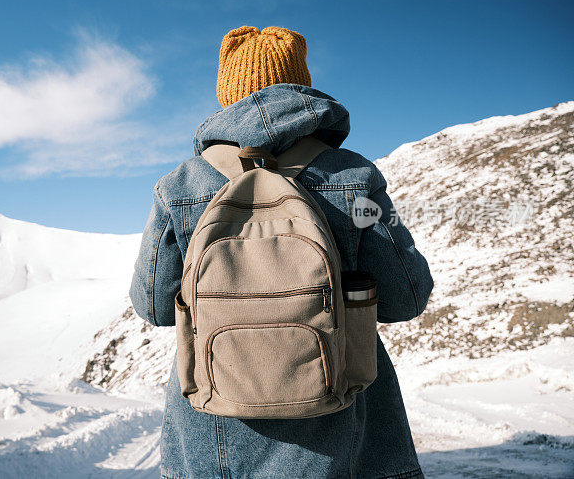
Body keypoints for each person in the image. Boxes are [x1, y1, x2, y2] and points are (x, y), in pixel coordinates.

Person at [129, 25, 433, 479]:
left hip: (213, 420)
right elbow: (405, 298)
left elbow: (153, 306)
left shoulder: (182, 186)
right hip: (340, 413)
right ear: (301, 85)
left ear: (227, 95)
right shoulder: (354, 176)